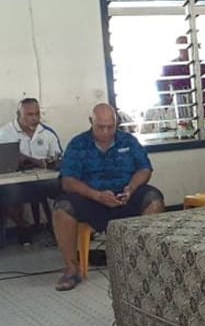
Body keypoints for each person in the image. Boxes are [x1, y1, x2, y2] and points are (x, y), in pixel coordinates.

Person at [52, 104, 164, 291]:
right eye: (100, 127)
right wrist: (96, 195)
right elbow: (68, 181)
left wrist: (131, 188)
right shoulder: (78, 144)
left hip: (124, 196)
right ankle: (72, 269)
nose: (105, 131)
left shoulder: (129, 141)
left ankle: (142, 263)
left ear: (116, 123)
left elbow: (145, 168)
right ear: (91, 122)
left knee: (153, 199)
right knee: (62, 208)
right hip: (91, 198)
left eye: (110, 127)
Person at [0, 98, 63, 245]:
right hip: (15, 182)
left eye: (37, 114)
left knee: (65, 187)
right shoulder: (5, 134)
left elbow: (59, 158)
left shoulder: (47, 133)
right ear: (18, 115)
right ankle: (23, 225)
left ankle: (61, 229)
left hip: (43, 181)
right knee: (8, 194)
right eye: (29, 114)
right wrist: (30, 160)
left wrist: (40, 161)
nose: (34, 118)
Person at [156, 35, 205, 122]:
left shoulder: (201, 66)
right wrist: (166, 104)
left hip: (200, 106)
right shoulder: (170, 66)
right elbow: (160, 84)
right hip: (180, 106)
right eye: (181, 45)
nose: (184, 48)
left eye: (186, 45)